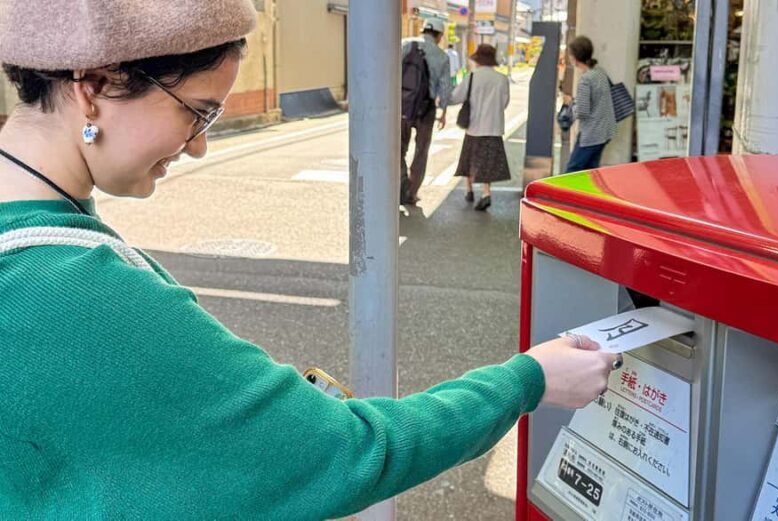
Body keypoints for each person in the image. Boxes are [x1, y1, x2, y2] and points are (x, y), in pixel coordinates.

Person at [0, 1, 621, 518]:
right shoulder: (82, 294)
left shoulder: (44, 242)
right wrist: (528, 381)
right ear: (96, 86)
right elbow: (348, 450)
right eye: (196, 111)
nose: (198, 146)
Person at [450, 44, 511, 211]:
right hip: (494, 127)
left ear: (478, 60)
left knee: (469, 158)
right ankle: (486, 192)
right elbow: (504, 103)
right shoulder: (502, 79)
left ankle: (469, 190)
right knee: (488, 161)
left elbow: (455, 97)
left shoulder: (471, 77)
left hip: (474, 126)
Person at [400, 18, 451, 206]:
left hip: (402, 105)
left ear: (423, 30)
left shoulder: (405, 44)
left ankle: (400, 185)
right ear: (439, 35)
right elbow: (445, 88)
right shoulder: (441, 56)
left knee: (398, 149)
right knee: (421, 151)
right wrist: (443, 112)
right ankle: (411, 193)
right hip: (426, 109)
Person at [563, 36, 616, 173]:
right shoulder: (600, 72)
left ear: (574, 58)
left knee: (572, 171)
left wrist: (571, 103)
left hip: (591, 135)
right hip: (605, 131)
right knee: (590, 172)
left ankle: (566, 195)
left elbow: (582, 112)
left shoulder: (585, 80)